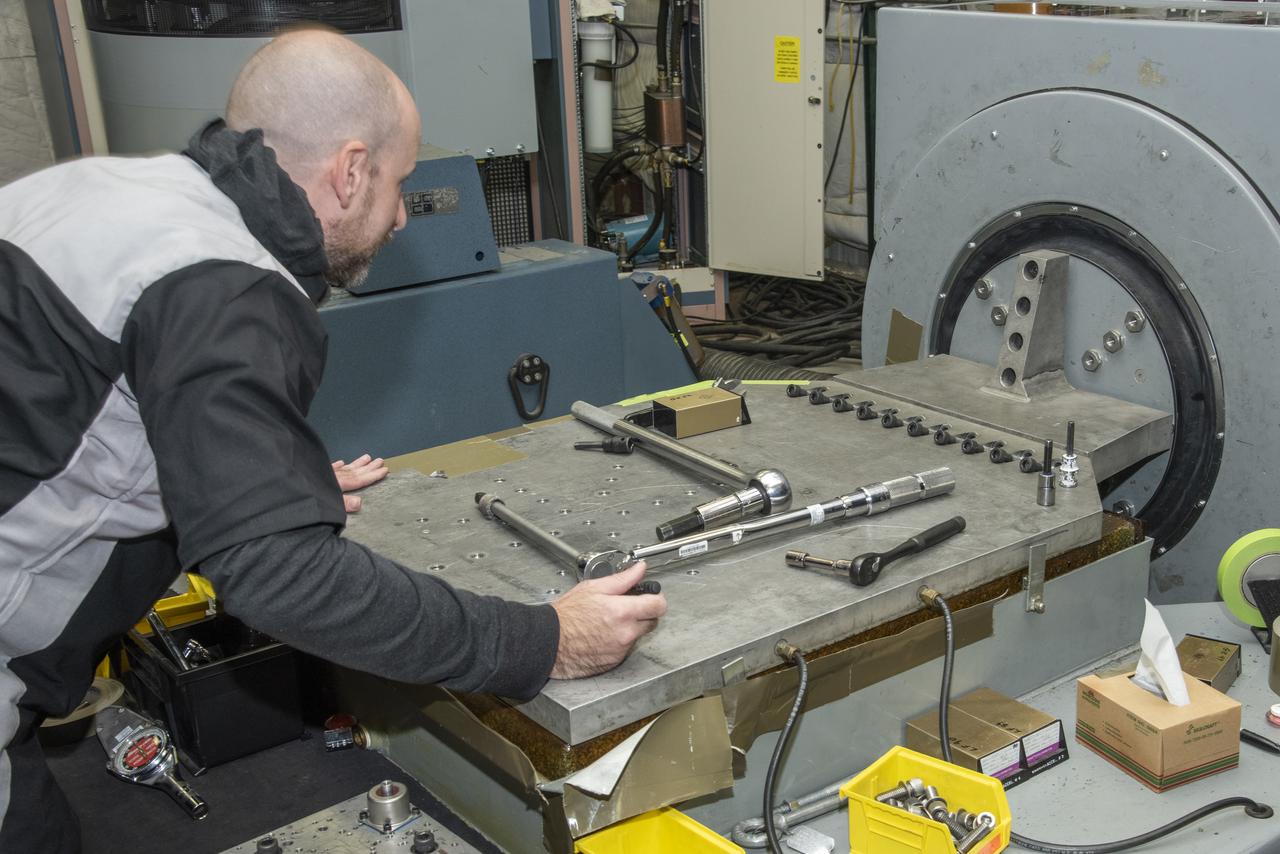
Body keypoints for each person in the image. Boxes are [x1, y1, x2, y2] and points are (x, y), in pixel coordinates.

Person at [0, 28, 666, 853]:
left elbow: (66, 411)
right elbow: (279, 577)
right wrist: (540, 642)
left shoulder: (113, 190)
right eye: (397, 186)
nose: (395, 217)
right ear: (350, 171)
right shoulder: (224, 287)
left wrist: (263, 482)